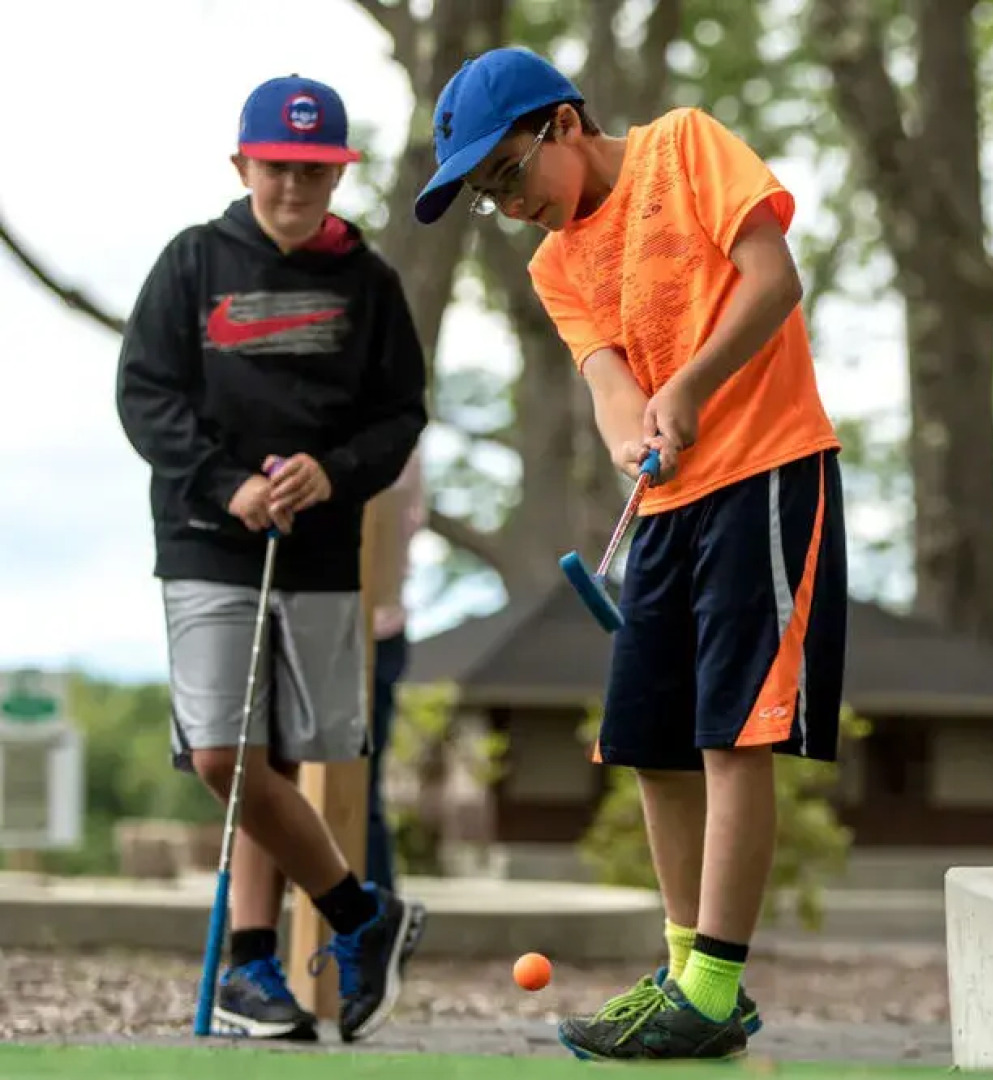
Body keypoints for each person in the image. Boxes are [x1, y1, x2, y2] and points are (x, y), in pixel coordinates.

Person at [412, 47, 849, 1062]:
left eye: (505, 175)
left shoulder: (683, 147)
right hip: (668, 502)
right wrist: (627, 432)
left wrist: (689, 388)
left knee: (729, 734)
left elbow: (773, 280)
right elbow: (609, 378)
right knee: (647, 739)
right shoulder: (555, 262)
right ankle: (685, 967)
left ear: (561, 125)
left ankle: (713, 984)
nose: (505, 202)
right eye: (485, 194)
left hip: (768, 472)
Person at [115, 73, 429, 1044]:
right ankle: (360, 914)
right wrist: (225, 484)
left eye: (315, 170)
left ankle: (252, 969)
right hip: (208, 541)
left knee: (280, 758)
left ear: (338, 174)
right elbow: (146, 393)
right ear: (242, 165)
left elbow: (399, 416)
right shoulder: (193, 262)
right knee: (223, 755)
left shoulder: (369, 285)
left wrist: (333, 476)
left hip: (321, 551)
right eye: (279, 166)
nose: (295, 185)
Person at [365, 446, 426, 894]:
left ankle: (377, 915)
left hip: (377, 627)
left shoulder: (396, 437)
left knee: (361, 785)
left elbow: (400, 510)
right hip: (313, 625)